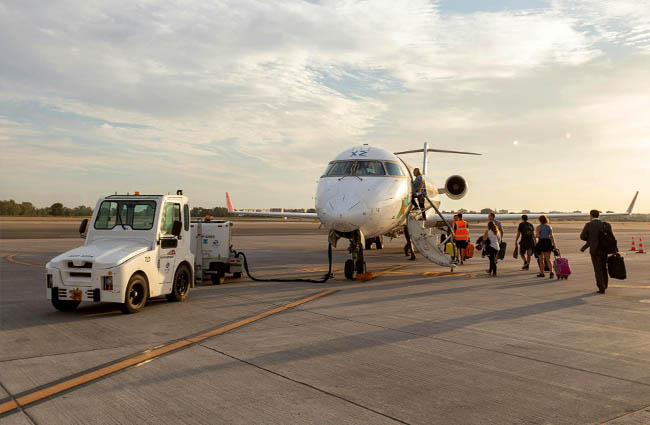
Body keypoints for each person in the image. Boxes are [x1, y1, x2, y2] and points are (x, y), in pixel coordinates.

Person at [580, 210, 610, 293]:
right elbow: (610, 237)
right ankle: (605, 284)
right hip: (604, 250)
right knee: (604, 268)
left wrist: (591, 240)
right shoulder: (605, 224)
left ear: (591, 216)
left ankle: (601, 287)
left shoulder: (589, 225)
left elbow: (582, 236)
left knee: (597, 269)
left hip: (594, 250)